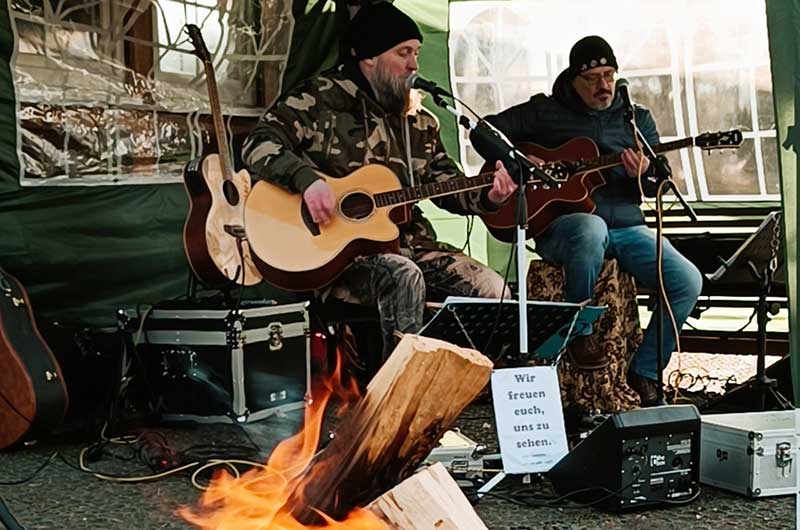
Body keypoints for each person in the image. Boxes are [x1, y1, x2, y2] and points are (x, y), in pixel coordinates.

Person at [242, 2, 515, 361]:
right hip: (336, 259)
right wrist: (306, 181)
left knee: (492, 288)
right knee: (402, 275)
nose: (414, 65)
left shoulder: (419, 122)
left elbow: (446, 185)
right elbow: (257, 143)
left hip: (409, 246)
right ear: (369, 57)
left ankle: (462, 387)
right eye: (404, 53)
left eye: (416, 53)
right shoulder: (318, 99)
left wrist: (490, 197)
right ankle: (397, 392)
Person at [481, 36, 703, 406]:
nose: (603, 85)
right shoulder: (545, 112)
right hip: (566, 228)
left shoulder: (636, 119)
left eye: (609, 75)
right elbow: (484, 130)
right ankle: (580, 330)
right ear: (573, 79)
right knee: (591, 226)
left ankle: (646, 370)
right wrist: (522, 163)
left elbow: (656, 186)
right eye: (593, 78)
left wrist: (645, 173)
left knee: (686, 280)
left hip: (628, 229)